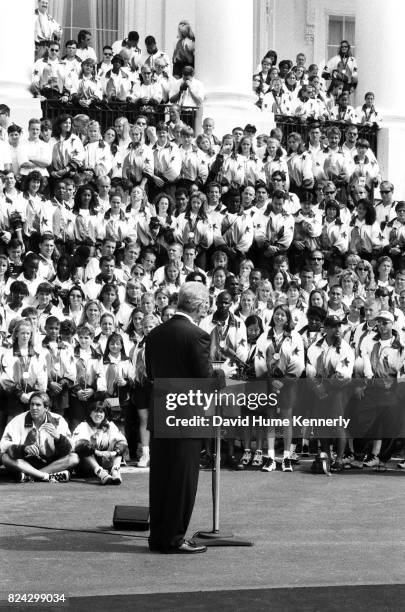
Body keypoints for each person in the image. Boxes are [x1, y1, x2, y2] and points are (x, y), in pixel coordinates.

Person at [145, 281, 235, 553]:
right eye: (206, 303)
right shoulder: (197, 335)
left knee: (161, 478)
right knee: (182, 480)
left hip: (162, 412)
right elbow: (206, 379)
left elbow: (150, 373)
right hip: (185, 416)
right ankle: (174, 538)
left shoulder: (155, 333)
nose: (207, 308)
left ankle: (159, 536)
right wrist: (221, 374)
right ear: (198, 306)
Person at [0, 392, 78, 483]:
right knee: (5, 457)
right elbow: (4, 445)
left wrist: (59, 438)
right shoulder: (17, 420)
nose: (34, 408)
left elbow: (70, 448)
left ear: (46, 408)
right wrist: (23, 449)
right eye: (32, 404)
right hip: (26, 463)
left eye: (38, 405)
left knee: (74, 457)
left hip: (51, 463)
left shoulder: (58, 420)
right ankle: (46, 476)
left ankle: (32, 476)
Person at [72, 400, 128, 485]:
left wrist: (112, 453)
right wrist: (99, 453)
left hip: (104, 462)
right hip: (86, 467)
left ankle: (115, 471)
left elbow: (123, 443)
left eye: (101, 412)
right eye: (95, 411)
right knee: (86, 448)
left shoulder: (110, 425)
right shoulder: (83, 426)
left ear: (105, 414)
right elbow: (80, 446)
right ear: (90, 414)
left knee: (118, 442)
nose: (98, 414)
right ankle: (100, 472)